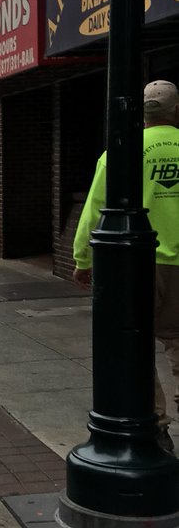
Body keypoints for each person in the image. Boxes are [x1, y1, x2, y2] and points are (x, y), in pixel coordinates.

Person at [73, 79, 179, 450]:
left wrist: (83, 259)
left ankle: (158, 424)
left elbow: (94, 211)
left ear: (141, 113)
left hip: (140, 265)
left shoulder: (120, 152)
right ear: (176, 110)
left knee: (137, 345)